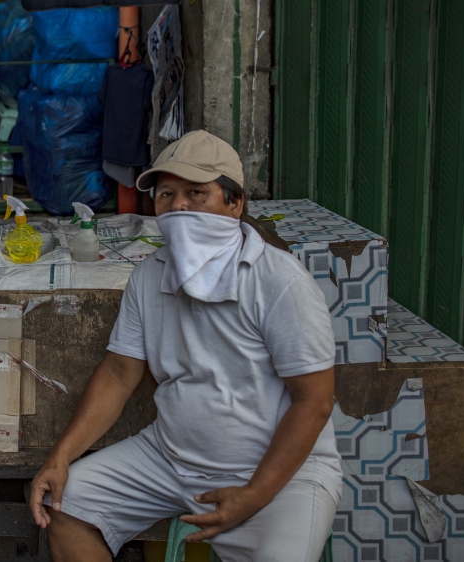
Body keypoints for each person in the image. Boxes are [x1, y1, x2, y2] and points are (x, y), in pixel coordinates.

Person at [28, 130, 342, 562]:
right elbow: (120, 375)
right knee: (65, 504)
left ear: (235, 204)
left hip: (278, 474)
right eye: (166, 195)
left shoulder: (279, 280)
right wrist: (60, 457)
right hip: (170, 458)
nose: (178, 207)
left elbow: (315, 402)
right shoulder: (149, 276)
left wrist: (254, 494)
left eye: (197, 194)